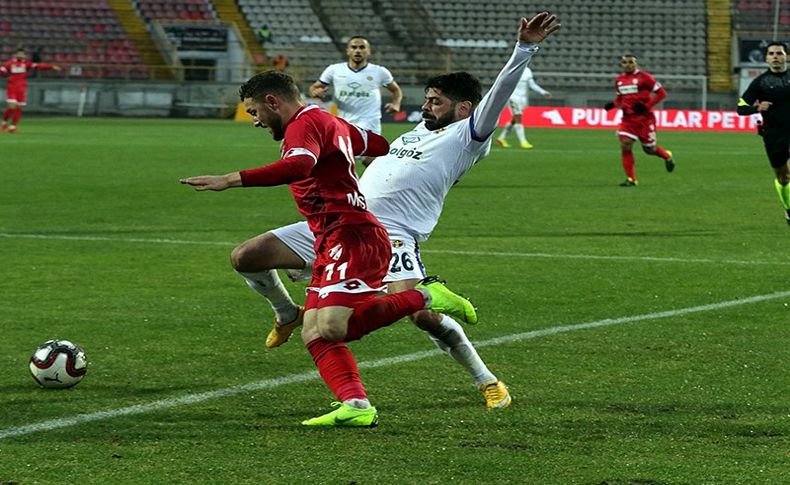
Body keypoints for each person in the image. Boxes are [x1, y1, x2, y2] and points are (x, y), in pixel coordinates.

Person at [233, 12, 561, 411]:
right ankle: (287, 313)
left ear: (464, 108)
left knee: (422, 316)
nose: (425, 106)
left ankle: (487, 380)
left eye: (435, 101)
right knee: (249, 256)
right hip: (341, 222)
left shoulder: (468, 135)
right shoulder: (415, 132)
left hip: (394, 235)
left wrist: (525, 46)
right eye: (425, 98)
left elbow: (502, 90)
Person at [180, 71, 478, 428]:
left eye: (255, 112)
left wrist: (229, 179)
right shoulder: (326, 121)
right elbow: (377, 145)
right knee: (313, 329)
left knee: (335, 327)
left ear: (273, 102)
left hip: (351, 233)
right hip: (327, 234)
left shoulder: (303, 125)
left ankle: (427, 296)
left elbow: (299, 165)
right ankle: (356, 404)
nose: (255, 121)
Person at [737, 41, 790, 227]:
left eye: (780, 53)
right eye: (772, 53)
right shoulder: (760, 83)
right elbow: (740, 108)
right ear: (767, 58)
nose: (776, 56)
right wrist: (756, 107)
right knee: (783, 177)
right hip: (774, 134)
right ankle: (788, 208)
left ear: (787, 57)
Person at [603, 54, 675, 186]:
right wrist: (613, 105)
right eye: (625, 62)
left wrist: (646, 107)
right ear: (621, 65)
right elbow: (620, 98)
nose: (628, 64)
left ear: (636, 64)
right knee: (625, 144)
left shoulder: (645, 78)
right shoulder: (619, 80)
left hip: (645, 119)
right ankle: (631, 179)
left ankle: (667, 156)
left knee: (649, 150)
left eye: (631, 62)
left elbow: (662, 93)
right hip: (628, 119)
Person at [308, 36, 402, 134]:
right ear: (348, 51)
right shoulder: (334, 70)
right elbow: (314, 87)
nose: (357, 50)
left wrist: (396, 103)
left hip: (370, 124)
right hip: (342, 123)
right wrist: (315, 92)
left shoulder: (380, 71)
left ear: (368, 51)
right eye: (354, 47)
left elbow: (396, 90)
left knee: (370, 149)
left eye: (362, 47)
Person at [0, 48, 60, 134]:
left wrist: (51, 67)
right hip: (12, 87)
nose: (21, 55)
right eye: (19, 54)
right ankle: (4, 122)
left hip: (22, 88)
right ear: (15, 55)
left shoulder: (26, 64)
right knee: (12, 106)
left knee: (19, 107)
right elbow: (1, 71)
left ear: (24, 55)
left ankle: (12, 127)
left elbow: (38, 66)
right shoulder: (9, 64)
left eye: (22, 54)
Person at [496, 66, 551, 148]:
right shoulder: (512, 69)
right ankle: (523, 141)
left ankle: (501, 138)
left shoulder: (527, 71)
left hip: (523, 99)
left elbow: (532, 84)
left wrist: (542, 92)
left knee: (515, 119)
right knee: (518, 118)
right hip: (513, 97)